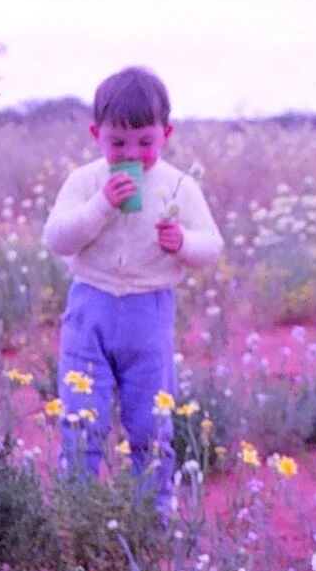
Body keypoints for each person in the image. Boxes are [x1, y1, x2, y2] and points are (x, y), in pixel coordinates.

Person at [42, 66, 223, 509]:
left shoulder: (179, 184)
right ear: (95, 134)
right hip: (90, 308)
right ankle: (78, 512)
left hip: (150, 311)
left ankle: (153, 516)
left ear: (167, 133)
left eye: (147, 142)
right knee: (82, 417)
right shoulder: (84, 182)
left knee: (151, 422)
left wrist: (182, 244)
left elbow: (211, 245)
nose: (134, 154)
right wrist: (101, 205)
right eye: (117, 143)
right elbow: (57, 238)